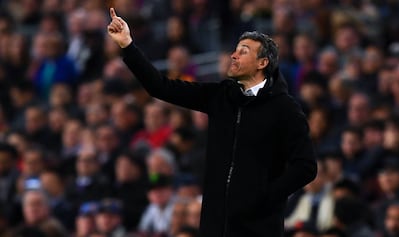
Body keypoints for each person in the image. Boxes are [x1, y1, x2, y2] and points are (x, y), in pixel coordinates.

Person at [108, 8, 317, 237]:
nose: (233, 56)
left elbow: (306, 166)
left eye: (243, 52)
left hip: (258, 228)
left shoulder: (284, 108)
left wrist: (265, 196)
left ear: (262, 63)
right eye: (235, 50)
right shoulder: (220, 96)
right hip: (214, 226)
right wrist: (128, 45)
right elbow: (160, 86)